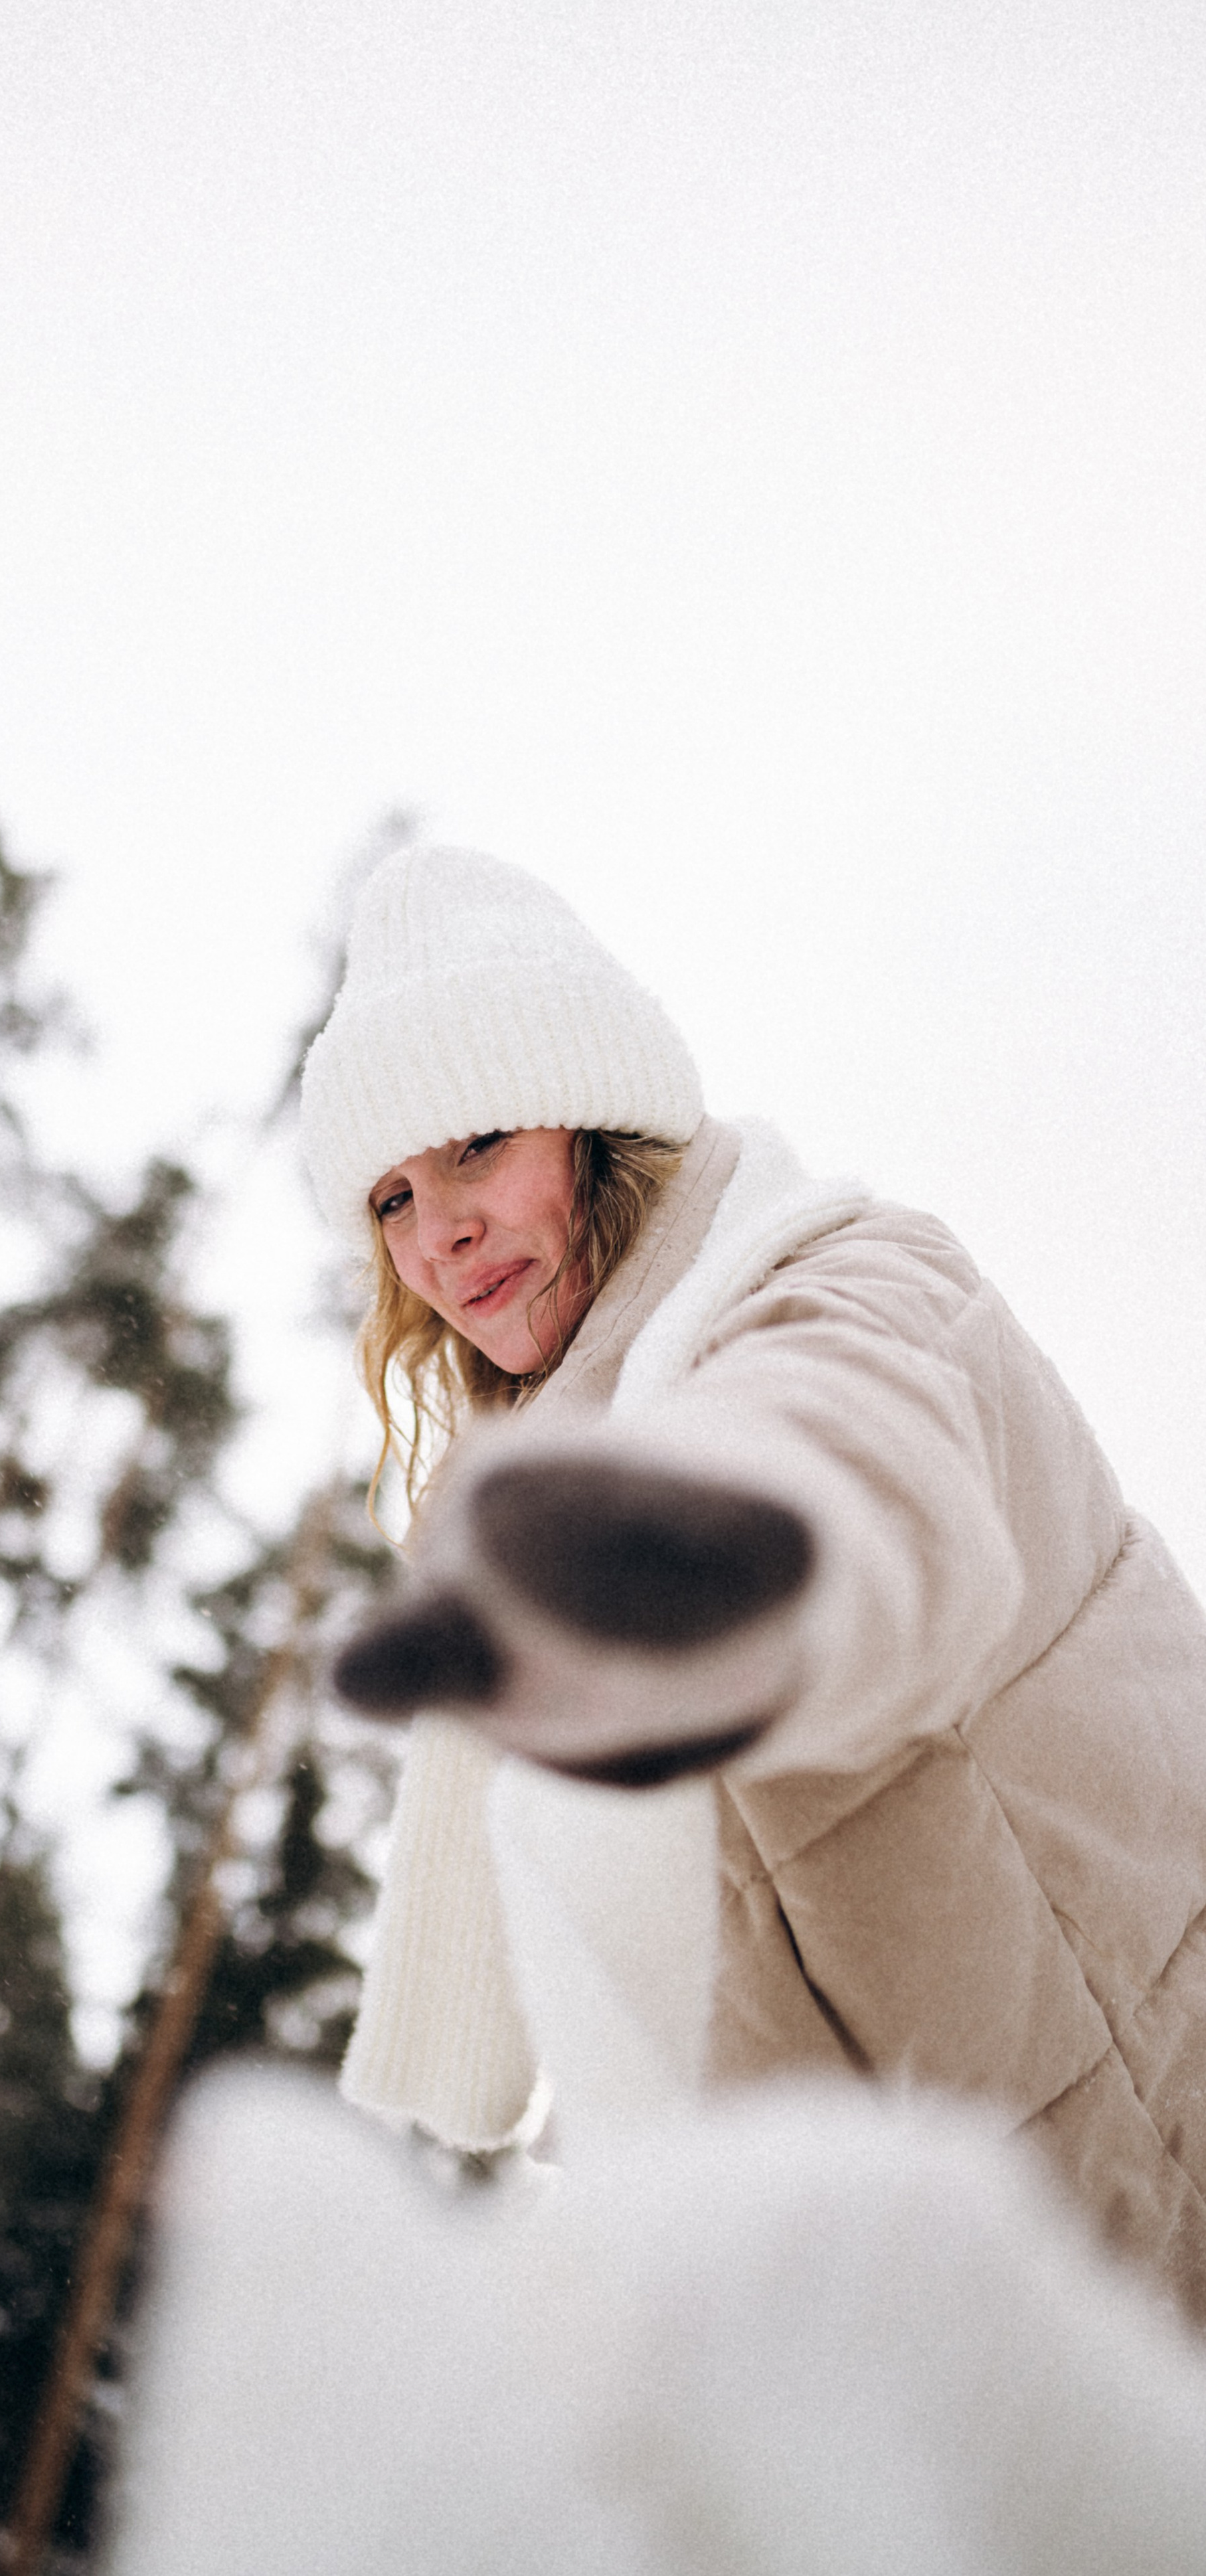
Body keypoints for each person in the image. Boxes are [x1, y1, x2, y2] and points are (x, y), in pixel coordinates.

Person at [298, 844, 1206, 2326]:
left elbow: (855, 1475)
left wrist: (693, 1576)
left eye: (473, 1145)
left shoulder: (837, 1282)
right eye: (392, 1197)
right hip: (909, 2314)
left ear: (596, 1126)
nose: (436, 1232)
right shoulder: (520, 1487)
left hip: (1138, 2174)